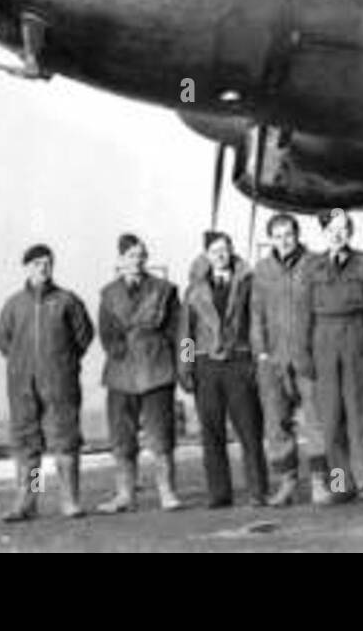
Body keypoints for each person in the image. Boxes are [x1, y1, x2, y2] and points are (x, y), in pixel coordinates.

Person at [0, 243, 94, 522]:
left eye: (48, 263)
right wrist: (22, 365)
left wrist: (62, 363)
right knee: (29, 445)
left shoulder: (67, 301)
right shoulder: (14, 304)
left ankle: (69, 500)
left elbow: (83, 336)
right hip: (23, 387)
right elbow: (3, 340)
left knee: (65, 441)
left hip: (60, 384)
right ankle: (28, 501)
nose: (43, 268)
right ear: (27, 267)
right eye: (37, 263)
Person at [180, 231, 269, 508]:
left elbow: (256, 322)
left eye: (225, 249)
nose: (220, 254)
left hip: (239, 361)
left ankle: (258, 490)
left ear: (231, 251)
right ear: (207, 255)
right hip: (206, 365)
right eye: (215, 250)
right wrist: (186, 366)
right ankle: (219, 494)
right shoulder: (194, 290)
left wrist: (257, 359)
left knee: (250, 429)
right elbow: (186, 332)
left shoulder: (247, 283)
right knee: (211, 432)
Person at [96, 233, 183, 513]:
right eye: (131, 256)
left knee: (161, 434)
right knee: (122, 437)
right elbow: (104, 331)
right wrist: (116, 348)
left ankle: (167, 492)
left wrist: (185, 365)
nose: (138, 261)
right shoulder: (108, 294)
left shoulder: (165, 290)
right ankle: (125, 494)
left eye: (141, 255)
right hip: (121, 373)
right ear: (120, 261)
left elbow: (182, 333)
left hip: (157, 368)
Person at [301, 209, 363, 504]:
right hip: (323, 341)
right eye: (332, 229)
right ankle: (340, 484)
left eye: (343, 228)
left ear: (351, 231)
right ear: (324, 233)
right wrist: (303, 355)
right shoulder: (312, 267)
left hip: (355, 336)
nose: (338, 234)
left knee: (360, 415)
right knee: (331, 419)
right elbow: (303, 313)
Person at [250, 213, 326, 506]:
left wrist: (318, 346)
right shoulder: (262, 270)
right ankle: (288, 483)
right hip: (274, 360)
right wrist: (262, 353)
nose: (284, 241)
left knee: (316, 420)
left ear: (297, 235)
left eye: (289, 234)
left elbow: (323, 307)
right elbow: (256, 315)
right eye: (278, 235)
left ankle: (323, 482)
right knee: (275, 423)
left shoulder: (315, 263)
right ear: (271, 238)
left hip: (308, 356)